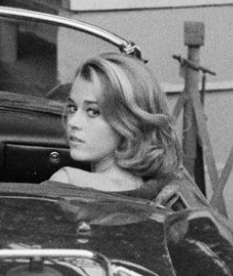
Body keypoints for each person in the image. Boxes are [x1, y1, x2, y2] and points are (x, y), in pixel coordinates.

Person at [47, 53, 180, 193]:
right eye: (72, 108)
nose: (73, 122)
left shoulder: (67, 180)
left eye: (93, 111)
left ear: (128, 121)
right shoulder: (148, 186)